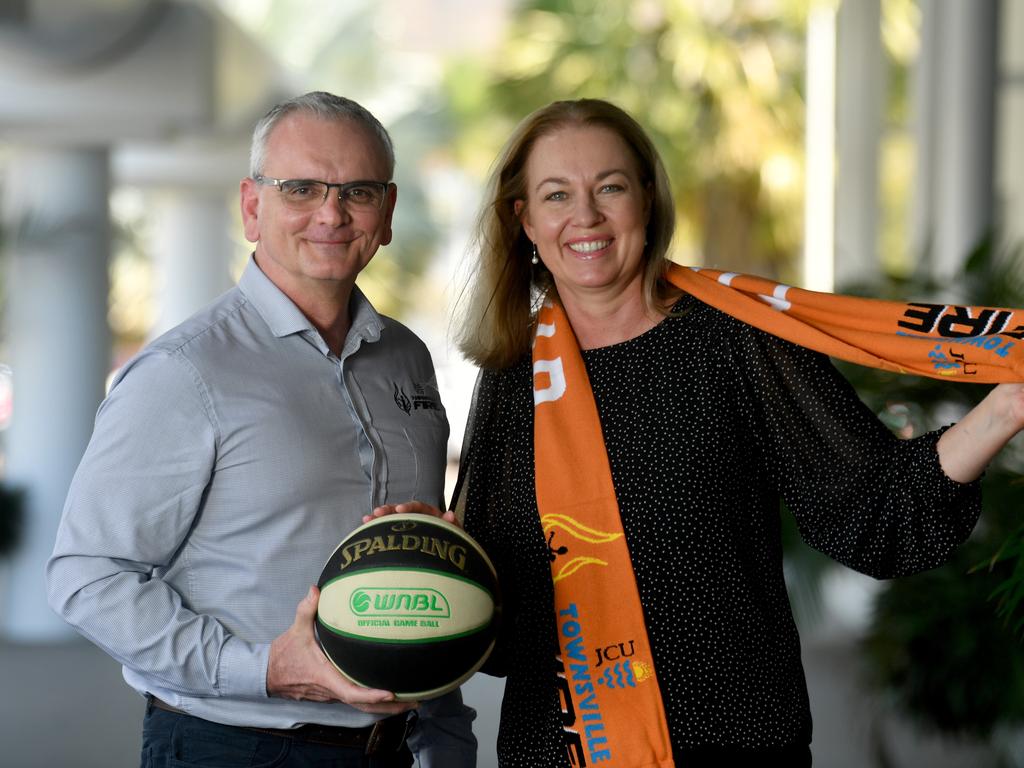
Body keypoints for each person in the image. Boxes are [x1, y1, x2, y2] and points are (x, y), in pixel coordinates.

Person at [447, 98, 1024, 767]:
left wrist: (1006, 408)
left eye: (610, 187)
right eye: (557, 194)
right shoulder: (516, 375)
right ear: (524, 220)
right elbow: (486, 588)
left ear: (648, 199)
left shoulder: (736, 337)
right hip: (561, 748)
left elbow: (872, 506)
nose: (587, 216)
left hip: (732, 741)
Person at [46, 91, 476, 768]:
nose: (331, 213)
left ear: (386, 213)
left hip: (395, 749)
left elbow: (420, 563)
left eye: (357, 191)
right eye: (300, 188)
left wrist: (445, 737)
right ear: (252, 207)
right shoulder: (184, 373)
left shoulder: (407, 358)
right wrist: (265, 667)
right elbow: (86, 576)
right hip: (235, 748)